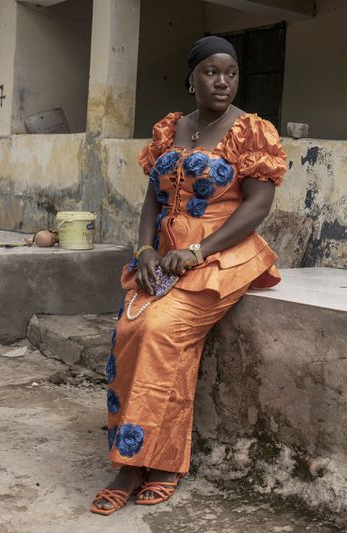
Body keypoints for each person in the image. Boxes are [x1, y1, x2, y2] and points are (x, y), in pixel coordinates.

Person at [91, 35, 286, 515]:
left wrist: (198, 249)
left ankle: (149, 464)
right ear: (191, 78)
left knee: (160, 330)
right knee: (127, 328)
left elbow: (257, 206)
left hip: (224, 254)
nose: (222, 81)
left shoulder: (251, 131)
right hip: (165, 256)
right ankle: (134, 453)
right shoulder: (172, 128)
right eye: (211, 72)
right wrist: (144, 250)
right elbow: (153, 199)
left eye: (231, 73)